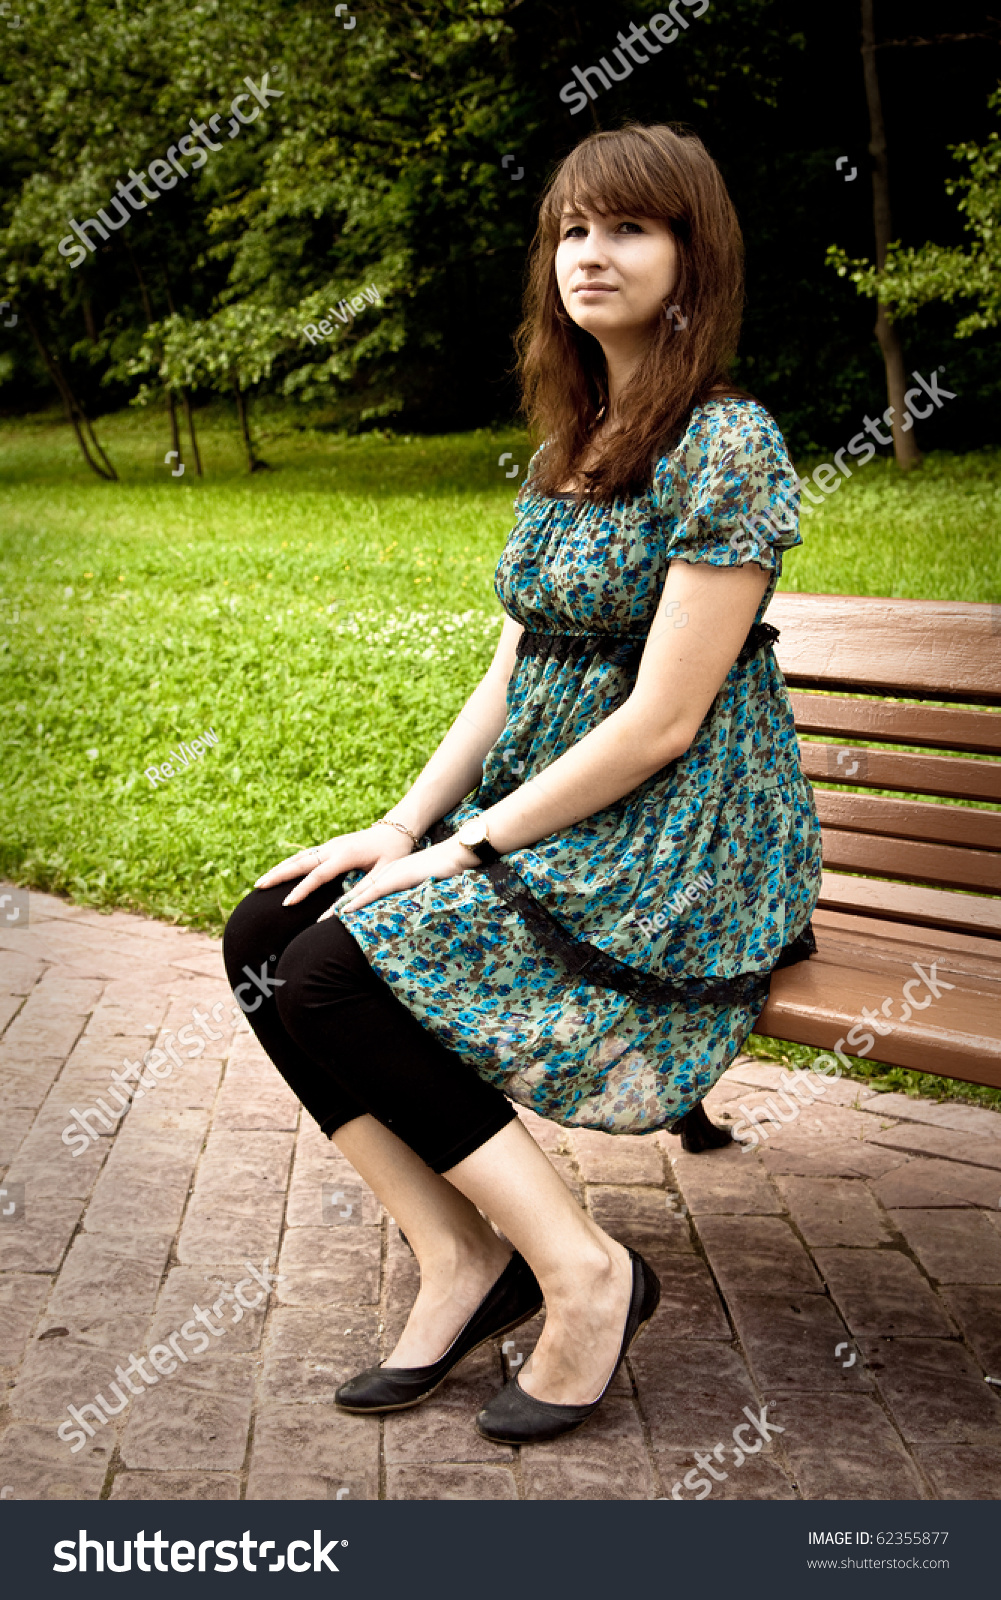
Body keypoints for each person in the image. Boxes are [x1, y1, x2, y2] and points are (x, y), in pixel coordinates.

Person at [223, 122, 822, 1446]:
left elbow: (664, 724)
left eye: (628, 229)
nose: (590, 256)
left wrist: (473, 850)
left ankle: (584, 1270)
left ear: (693, 258)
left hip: (680, 836)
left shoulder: (724, 446)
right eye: (570, 230)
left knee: (334, 968)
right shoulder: (577, 441)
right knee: (268, 931)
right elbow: (513, 672)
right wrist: (402, 824)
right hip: (557, 809)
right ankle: (461, 1256)